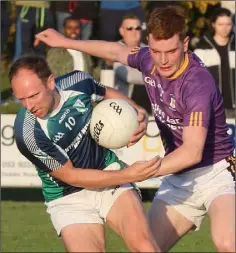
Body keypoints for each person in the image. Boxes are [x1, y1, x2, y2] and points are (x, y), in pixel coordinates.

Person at [35, 5, 235, 252]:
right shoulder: (148, 59)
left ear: (185, 44)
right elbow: (113, 50)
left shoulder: (197, 84)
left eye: (171, 51)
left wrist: (140, 173)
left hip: (217, 172)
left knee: (227, 242)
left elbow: (192, 152)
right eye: (155, 50)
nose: (162, 60)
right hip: (179, 179)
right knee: (145, 248)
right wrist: (64, 41)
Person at [9, 54, 161, 253]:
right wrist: (129, 175)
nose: (29, 106)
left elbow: (105, 92)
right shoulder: (27, 133)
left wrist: (137, 110)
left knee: (145, 247)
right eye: (21, 99)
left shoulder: (78, 82)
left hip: (107, 171)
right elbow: (72, 176)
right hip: (68, 197)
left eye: (33, 95)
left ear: (50, 82)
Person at [194, 7, 235, 118]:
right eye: (221, 24)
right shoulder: (202, 48)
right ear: (213, 25)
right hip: (212, 109)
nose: (225, 28)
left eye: (228, 24)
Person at [114, 14, 152, 114]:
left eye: (137, 28)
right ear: (122, 31)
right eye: (130, 28)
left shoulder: (149, 50)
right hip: (124, 109)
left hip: (150, 109)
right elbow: (128, 76)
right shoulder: (114, 49)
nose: (134, 32)